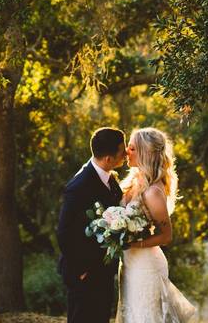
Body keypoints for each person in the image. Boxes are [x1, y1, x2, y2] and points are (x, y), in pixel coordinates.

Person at [116, 127, 196, 323]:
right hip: (129, 262)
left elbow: (166, 236)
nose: (127, 151)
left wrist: (133, 244)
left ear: (145, 152)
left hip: (146, 266)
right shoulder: (134, 181)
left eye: (132, 148)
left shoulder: (153, 192)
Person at [57, 127, 127, 323]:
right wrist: (81, 270)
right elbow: (64, 233)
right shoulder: (78, 186)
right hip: (83, 273)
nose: (125, 155)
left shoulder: (110, 178)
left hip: (102, 270)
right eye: (122, 151)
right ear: (108, 158)